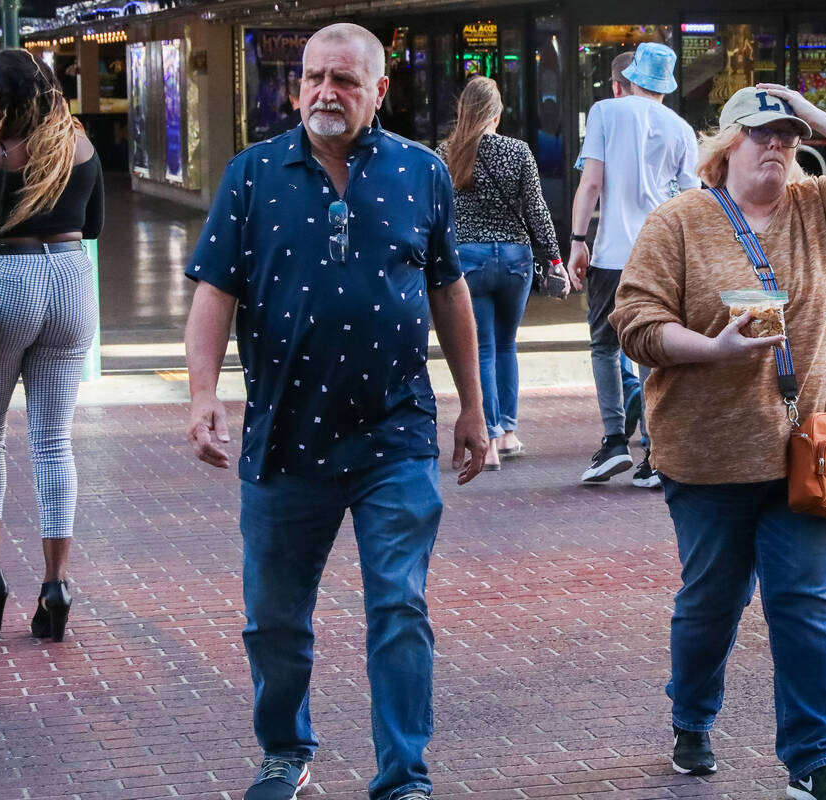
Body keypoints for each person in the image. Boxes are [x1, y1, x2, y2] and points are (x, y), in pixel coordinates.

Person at [182, 23, 487, 800]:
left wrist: (474, 410)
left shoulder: (422, 173)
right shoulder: (252, 176)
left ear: (379, 91)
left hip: (395, 432)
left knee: (399, 606)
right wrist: (202, 392)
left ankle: (404, 777)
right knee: (275, 620)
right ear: (296, 86)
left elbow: (449, 291)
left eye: (345, 80)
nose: (325, 92)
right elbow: (215, 290)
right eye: (314, 77)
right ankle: (286, 750)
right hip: (286, 435)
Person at [611, 85, 826, 799]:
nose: (775, 145)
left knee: (804, 600)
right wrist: (710, 349)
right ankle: (691, 718)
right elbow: (635, 320)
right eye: (761, 134)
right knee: (712, 600)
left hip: (810, 452)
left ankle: (812, 761)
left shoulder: (825, 208)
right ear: (728, 146)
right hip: (707, 454)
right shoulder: (679, 221)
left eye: (786, 135)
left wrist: (812, 115)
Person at [0, 50, 104, 643]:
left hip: (5, 281)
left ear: (15, 99)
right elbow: (95, 225)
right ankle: (56, 589)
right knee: (53, 441)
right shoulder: (78, 147)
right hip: (72, 280)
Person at [567, 43, 700, 488]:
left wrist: (577, 240)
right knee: (652, 350)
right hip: (660, 255)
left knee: (605, 346)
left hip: (610, 252)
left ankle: (612, 442)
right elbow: (690, 200)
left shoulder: (607, 111)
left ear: (634, 76)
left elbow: (591, 183)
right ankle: (656, 455)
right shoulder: (681, 128)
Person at [436, 76, 562, 470]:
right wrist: (555, 259)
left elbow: (437, 215)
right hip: (515, 259)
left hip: (467, 260)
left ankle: (487, 441)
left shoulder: (445, 153)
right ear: (496, 112)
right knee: (507, 344)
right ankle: (508, 433)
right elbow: (536, 210)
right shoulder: (518, 150)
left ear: (463, 111)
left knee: (484, 348)